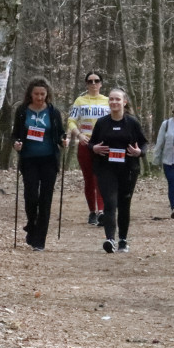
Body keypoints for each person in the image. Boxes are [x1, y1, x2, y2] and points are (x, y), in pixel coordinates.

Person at [89, 88, 147, 253]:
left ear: (124, 102)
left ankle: (123, 239)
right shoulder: (102, 122)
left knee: (124, 204)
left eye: (117, 99)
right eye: (111, 99)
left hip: (128, 169)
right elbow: (92, 144)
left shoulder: (132, 122)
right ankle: (110, 239)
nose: (114, 102)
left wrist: (139, 153)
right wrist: (95, 149)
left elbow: (144, 144)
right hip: (106, 168)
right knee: (110, 203)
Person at [12, 78, 67, 252]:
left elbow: (60, 134)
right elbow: (15, 135)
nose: (40, 97)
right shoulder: (22, 111)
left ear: (47, 94)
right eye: (36, 94)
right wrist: (16, 144)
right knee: (31, 196)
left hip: (49, 159)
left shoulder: (53, 112)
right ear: (30, 94)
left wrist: (63, 141)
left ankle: (39, 240)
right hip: (29, 159)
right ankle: (32, 224)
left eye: (43, 94)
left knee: (45, 199)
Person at [67, 71, 110, 226]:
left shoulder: (107, 101)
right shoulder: (80, 101)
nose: (93, 84)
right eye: (90, 81)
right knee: (89, 180)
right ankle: (92, 211)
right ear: (86, 84)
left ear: (101, 83)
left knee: (101, 178)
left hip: (103, 144)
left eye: (96, 81)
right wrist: (78, 135)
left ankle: (102, 212)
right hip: (85, 144)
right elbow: (71, 121)